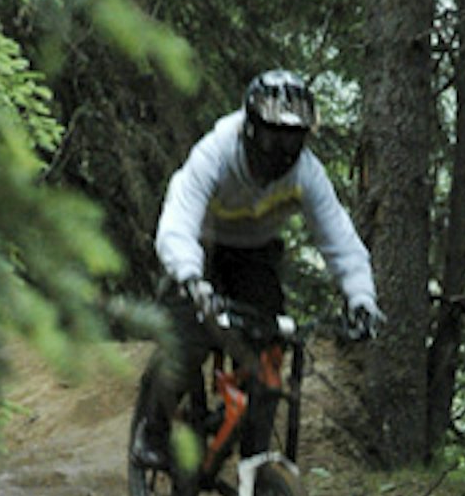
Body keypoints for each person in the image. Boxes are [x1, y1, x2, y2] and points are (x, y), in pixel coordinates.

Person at [135, 69, 379, 465]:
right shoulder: (215, 152)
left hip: (254, 255)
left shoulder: (307, 174)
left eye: (293, 139)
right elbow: (179, 219)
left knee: (268, 361)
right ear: (250, 129)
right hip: (200, 250)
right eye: (272, 137)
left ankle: (258, 469)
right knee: (186, 340)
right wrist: (190, 276)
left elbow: (339, 238)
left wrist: (361, 297)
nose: (282, 150)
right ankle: (153, 430)